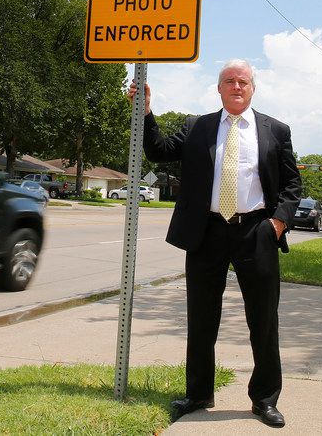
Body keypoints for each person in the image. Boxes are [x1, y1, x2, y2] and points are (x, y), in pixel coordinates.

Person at [128, 59, 301, 428]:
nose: (236, 87)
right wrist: (145, 113)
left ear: (252, 88)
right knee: (202, 317)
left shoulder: (276, 130)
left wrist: (278, 222)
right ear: (218, 88)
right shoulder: (198, 127)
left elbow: (291, 184)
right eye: (229, 81)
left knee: (263, 319)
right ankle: (198, 393)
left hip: (256, 231)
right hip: (207, 232)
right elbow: (157, 150)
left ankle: (265, 399)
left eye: (243, 81)